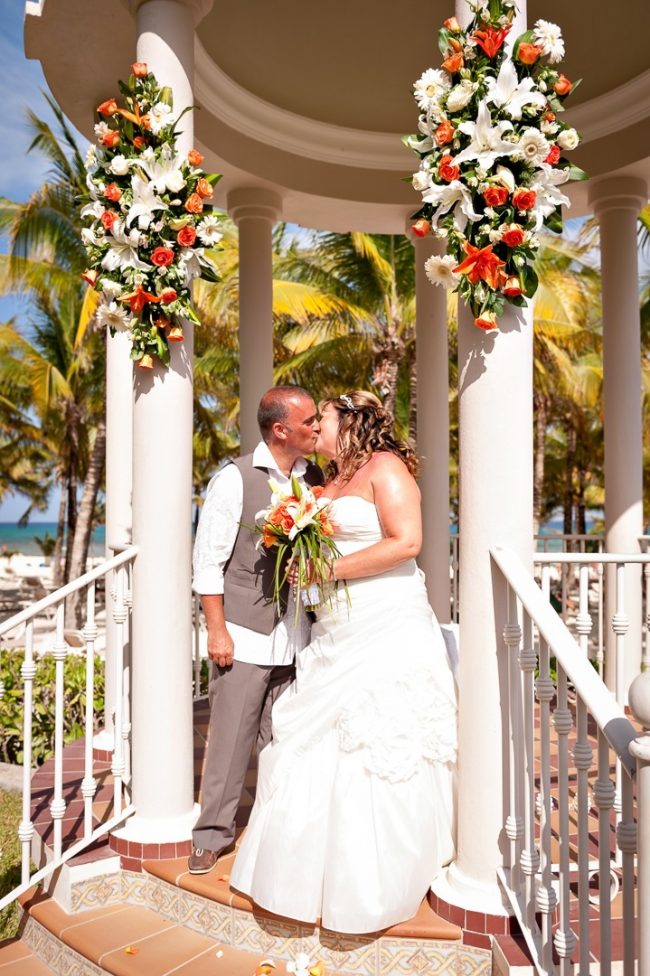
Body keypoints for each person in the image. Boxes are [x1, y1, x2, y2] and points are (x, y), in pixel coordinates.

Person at [230, 391, 457, 933]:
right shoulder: (321, 484)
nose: (313, 429)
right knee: (311, 740)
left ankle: (375, 880)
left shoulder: (386, 468)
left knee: (378, 739)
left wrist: (325, 573)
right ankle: (301, 874)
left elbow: (407, 543)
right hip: (333, 627)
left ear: (349, 422)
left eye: (321, 420)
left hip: (386, 621)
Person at [188, 385, 323, 874]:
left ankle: (273, 828)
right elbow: (208, 563)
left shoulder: (314, 479)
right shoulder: (234, 479)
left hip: (298, 634)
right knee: (230, 739)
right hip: (245, 634)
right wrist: (217, 631)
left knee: (281, 737)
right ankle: (211, 835)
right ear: (280, 429)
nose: (317, 427)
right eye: (309, 421)